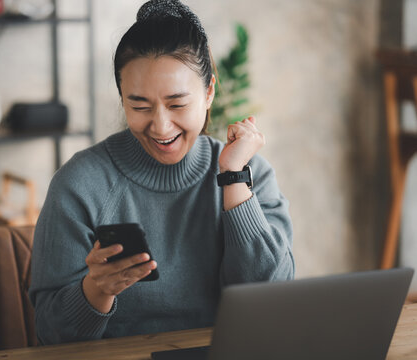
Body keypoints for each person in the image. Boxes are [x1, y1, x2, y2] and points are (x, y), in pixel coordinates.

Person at [29, 0, 294, 345]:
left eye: (177, 104)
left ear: (209, 91)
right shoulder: (79, 185)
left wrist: (233, 179)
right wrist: (96, 289)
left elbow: (272, 306)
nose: (160, 126)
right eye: (139, 105)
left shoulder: (249, 171)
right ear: (122, 98)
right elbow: (49, 334)